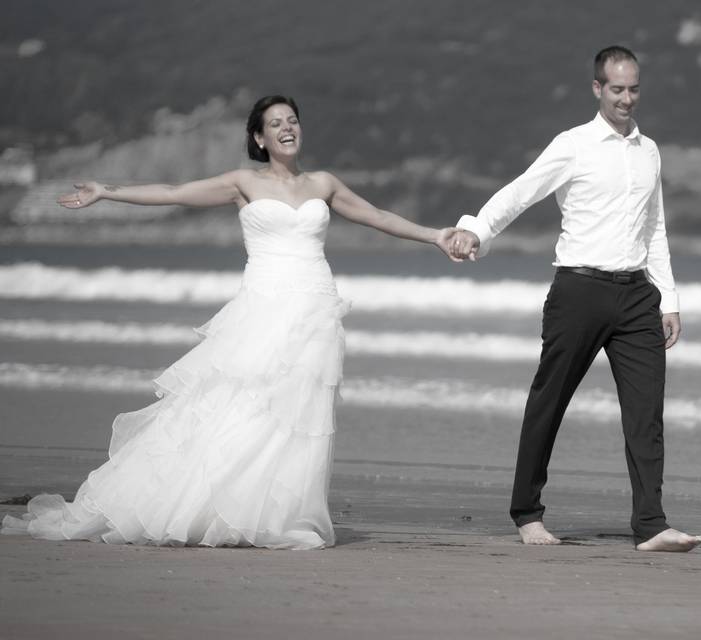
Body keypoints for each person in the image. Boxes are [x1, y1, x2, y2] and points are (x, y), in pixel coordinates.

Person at [1, 95, 461, 549]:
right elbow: (174, 194)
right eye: (276, 122)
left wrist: (436, 235)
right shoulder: (242, 182)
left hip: (316, 309)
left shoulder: (323, 183)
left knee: (297, 418)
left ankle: (272, 516)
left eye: (293, 120)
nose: (287, 127)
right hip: (262, 306)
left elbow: (377, 216)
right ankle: (209, 506)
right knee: (240, 407)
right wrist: (107, 192)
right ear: (259, 137)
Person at [450, 46, 701, 551]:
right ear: (597, 89)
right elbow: (522, 191)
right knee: (550, 401)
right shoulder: (574, 145)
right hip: (578, 290)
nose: (627, 98)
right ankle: (527, 513)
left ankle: (651, 524)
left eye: (633, 88)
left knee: (646, 412)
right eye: (617, 89)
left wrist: (668, 298)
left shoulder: (649, 151)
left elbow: (655, 228)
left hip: (637, 297)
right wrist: (476, 228)